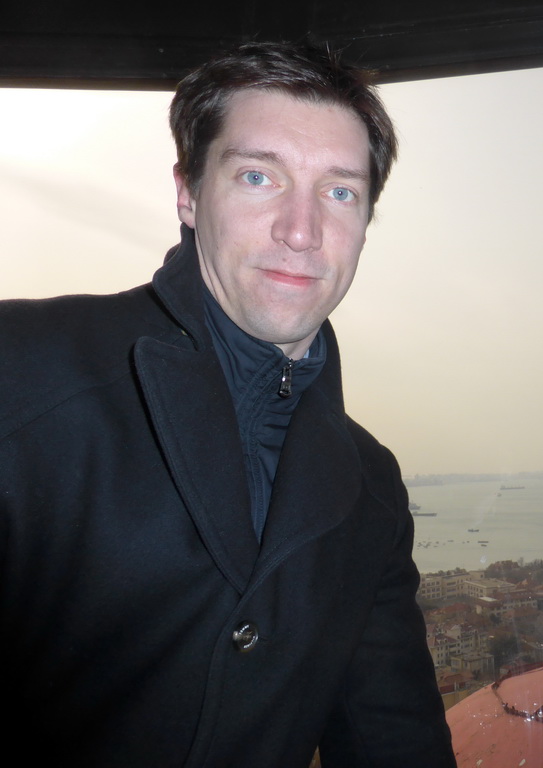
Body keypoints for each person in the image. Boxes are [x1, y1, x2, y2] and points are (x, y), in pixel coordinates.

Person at [0, 41, 457, 768]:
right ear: (186, 192)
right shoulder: (21, 370)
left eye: (340, 192)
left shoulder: (371, 484)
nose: (300, 231)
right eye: (257, 177)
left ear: (366, 221)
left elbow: (392, 738)